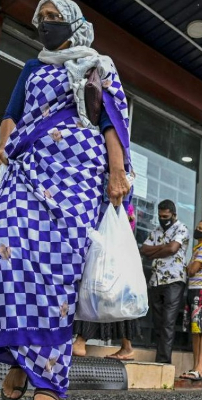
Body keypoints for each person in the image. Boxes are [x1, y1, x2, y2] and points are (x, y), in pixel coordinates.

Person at [0, 1, 132, 398]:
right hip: (27, 173)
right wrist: (5, 143)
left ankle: (46, 376)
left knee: (59, 276)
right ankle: (22, 358)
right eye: (43, 18)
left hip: (77, 180)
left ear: (75, 25)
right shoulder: (32, 68)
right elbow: (11, 114)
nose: (46, 25)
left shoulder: (98, 65)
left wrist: (117, 172)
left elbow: (111, 121)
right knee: (12, 257)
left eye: (55, 19)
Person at [73, 204, 140, 360]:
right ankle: (126, 346)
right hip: (113, 255)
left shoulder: (116, 203)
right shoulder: (123, 206)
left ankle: (80, 341)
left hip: (109, 256)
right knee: (116, 299)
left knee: (97, 294)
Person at [141, 199, 190, 364]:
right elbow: (144, 250)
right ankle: (160, 357)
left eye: (166, 216)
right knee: (157, 322)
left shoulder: (181, 228)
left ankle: (163, 362)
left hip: (174, 280)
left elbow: (172, 249)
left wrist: (156, 251)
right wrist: (162, 249)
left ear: (174, 215)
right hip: (155, 281)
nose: (163, 219)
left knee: (168, 322)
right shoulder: (155, 231)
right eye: (160, 216)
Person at [179, 220, 202, 381]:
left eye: (200, 229)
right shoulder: (199, 248)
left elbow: (192, 270)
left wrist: (190, 267)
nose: (196, 230)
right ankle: (195, 367)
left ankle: (200, 367)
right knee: (196, 330)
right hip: (194, 290)